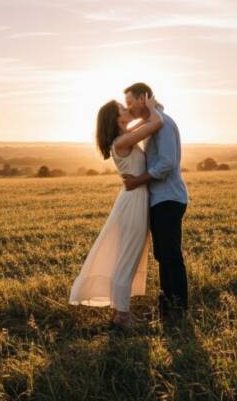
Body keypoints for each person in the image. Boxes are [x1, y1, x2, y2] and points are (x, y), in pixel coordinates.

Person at [69, 93, 162, 328]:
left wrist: (146, 111)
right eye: (122, 108)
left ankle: (122, 311)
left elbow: (143, 124)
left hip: (134, 199)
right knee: (128, 258)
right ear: (116, 119)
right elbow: (156, 124)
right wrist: (152, 108)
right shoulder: (122, 142)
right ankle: (122, 315)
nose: (126, 109)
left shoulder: (124, 137)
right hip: (133, 202)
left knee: (129, 256)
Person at [121, 82, 189, 319]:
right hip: (160, 199)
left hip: (169, 198)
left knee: (170, 255)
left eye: (131, 102)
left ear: (143, 98)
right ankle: (167, 307)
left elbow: (167, 164)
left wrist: (139, 180)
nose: (129, 109)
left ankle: (177, 309)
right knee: (163, 254)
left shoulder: (164, 125)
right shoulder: (154, 123)